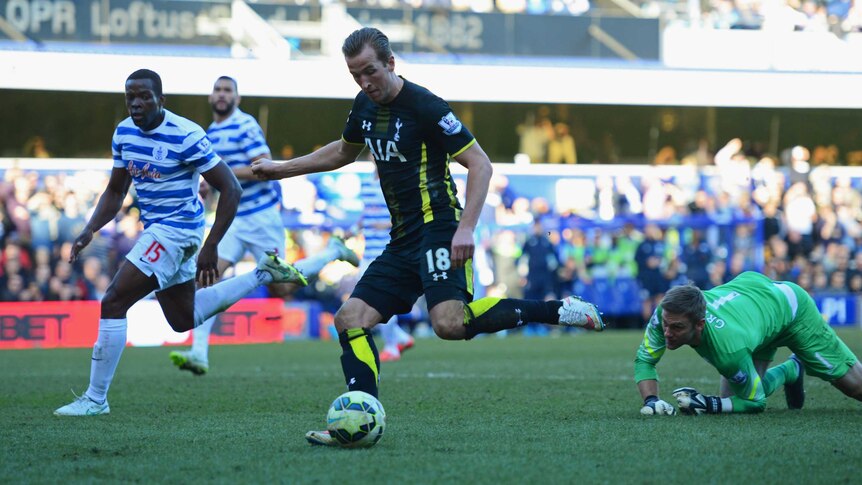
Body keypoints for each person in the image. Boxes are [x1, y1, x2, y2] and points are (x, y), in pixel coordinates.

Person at [250, 27, 604, 446]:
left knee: (449, 324)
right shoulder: (364, 105)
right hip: (403, 239)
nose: (365, 83)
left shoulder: (426, 106)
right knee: (350, 319)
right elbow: (343, 151)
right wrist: (280, 168)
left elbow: (481, 165)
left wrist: (467, 227)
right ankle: (359, 419)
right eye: (355, 75)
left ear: (391, 64)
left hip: (440, 227)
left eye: (370, 72)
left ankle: (557, 311)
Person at [53, 69, 307, 417]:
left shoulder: (186, 133)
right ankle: (261, 275)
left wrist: (211, 244)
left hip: (178, 230)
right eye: (131, 97)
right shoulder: (124, 133)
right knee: (182, 318)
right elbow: (115, 191)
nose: (137, 103)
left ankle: (96, 398)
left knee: (113, 301)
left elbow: (230, 187)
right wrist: (90, 228)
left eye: (145, 96)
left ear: (162, 99)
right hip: (158, 229)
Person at [168, 75, 358, 376]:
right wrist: (209, 185)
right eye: (217, 89)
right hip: (233, 218)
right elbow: (215, 176)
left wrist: (221, 175)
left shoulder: (245, 125)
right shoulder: (211, 133)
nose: (221, 94)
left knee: (283, 286)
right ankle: (199, 353)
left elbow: (263, 166)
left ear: (237, 98)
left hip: (261, 216)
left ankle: (331, 251)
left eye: (227, 90)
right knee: (206, 277)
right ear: (209, 97)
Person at [635, 271, 862, 416]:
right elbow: (644, 360)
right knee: (731, 402)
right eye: (666, 324)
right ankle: (791, 370)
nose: (667, 332)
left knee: (855, 387)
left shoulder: (728, 348)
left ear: (700, 325)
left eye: (677, 328)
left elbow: (755, 402)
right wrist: (652, 401)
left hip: (791, 310)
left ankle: (792, 368)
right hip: (752, 308)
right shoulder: (666, 314)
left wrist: (707, 403)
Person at [359, 168, 415, 362]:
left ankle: (392, 346)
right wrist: (357, 226)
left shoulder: (395, 180)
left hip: (385, 249)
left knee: (379, 299)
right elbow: (366, 212)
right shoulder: (365, 183)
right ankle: (400, 338)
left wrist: (383, 224)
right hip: (368, 249)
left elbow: (404, 215)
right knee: (369, 298)